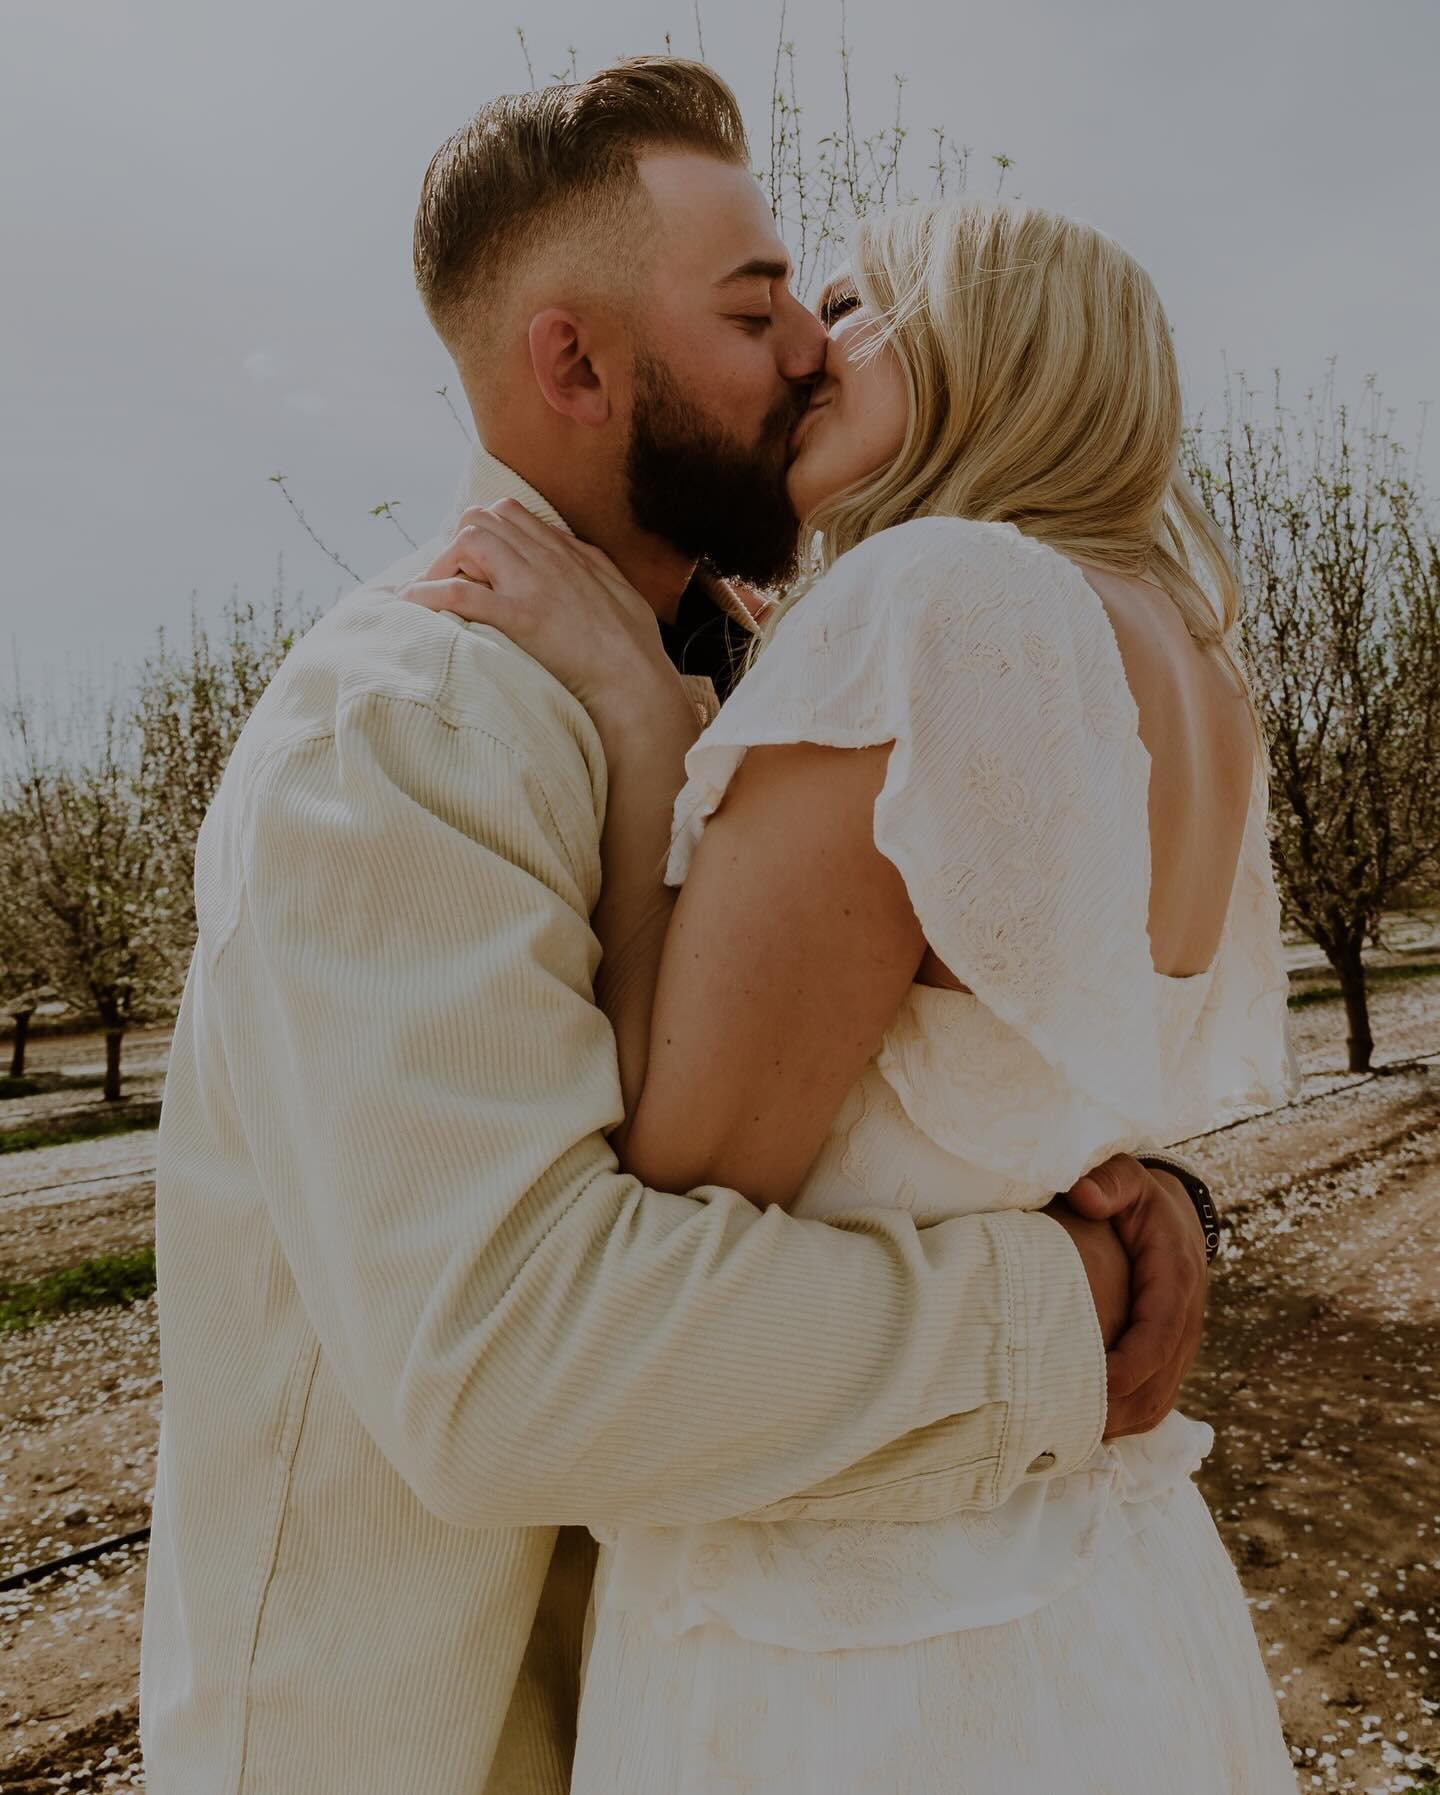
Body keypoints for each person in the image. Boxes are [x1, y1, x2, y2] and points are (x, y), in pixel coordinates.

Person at [138, 60, 1222, 1795]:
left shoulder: (794, 674)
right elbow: (524, 1365)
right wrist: (1066, 1303)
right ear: (574, 366)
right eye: (756, 305)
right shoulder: (403, 732)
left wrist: (1160, 1203)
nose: (816, 343)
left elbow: (915, 1080)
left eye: (805, 291)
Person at [407, 195, 1302, 1794]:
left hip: (864, 1657)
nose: (812, 346)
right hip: (1111, 1589)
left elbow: (677, 1170)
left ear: (991, 341)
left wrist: (636, 713)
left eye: (853, 298)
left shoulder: (933, 606)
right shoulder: (1185, 667)